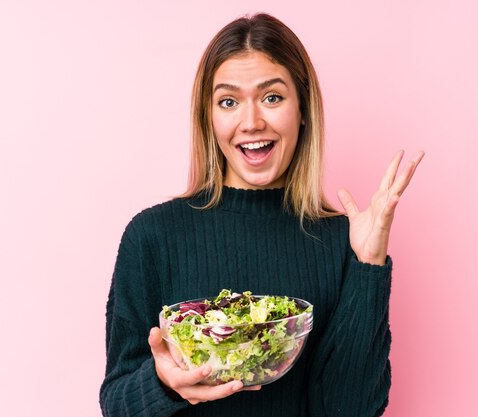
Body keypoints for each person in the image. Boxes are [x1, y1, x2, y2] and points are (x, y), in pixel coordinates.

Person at [99, 12, 423, 417]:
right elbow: (116, 404)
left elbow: (353, 409)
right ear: (209, 117)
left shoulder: (343, 242)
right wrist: (164, 383)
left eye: (272, 97)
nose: (251, 122)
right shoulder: (152, 236)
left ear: (302, 109)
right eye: (229, 101)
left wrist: (368, 266)